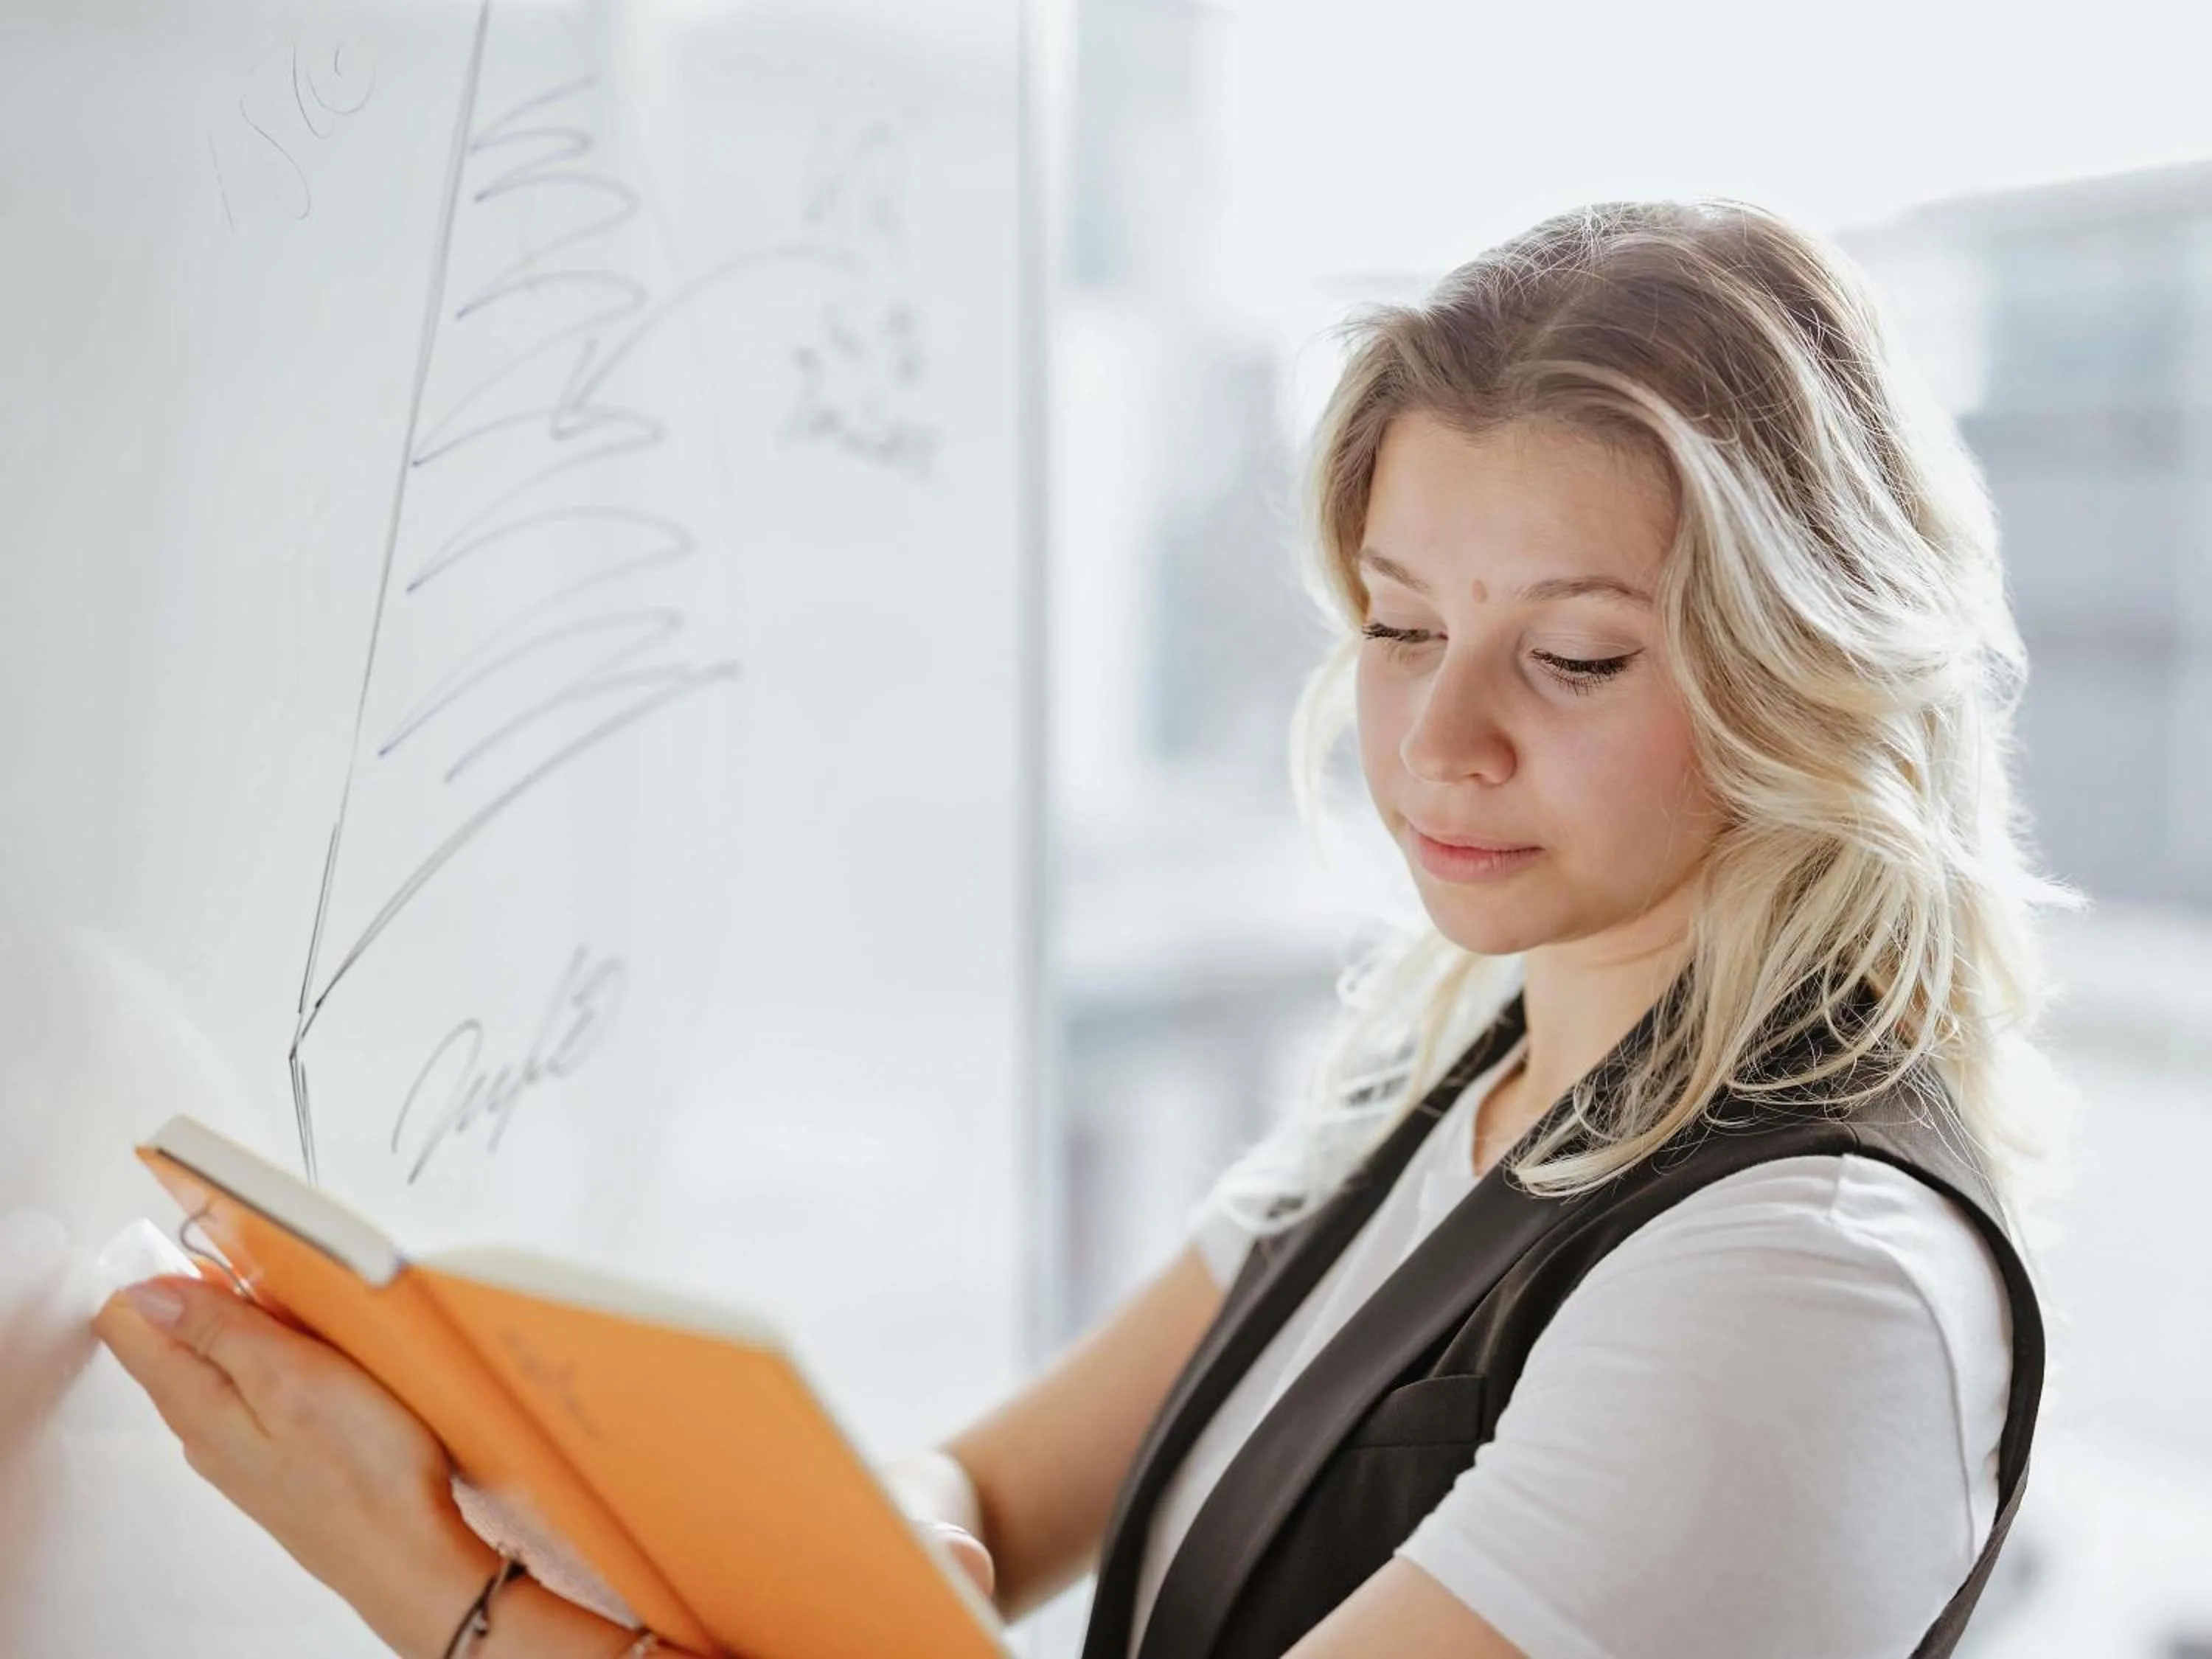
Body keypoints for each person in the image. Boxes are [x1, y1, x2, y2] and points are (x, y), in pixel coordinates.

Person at [96, 196, 2072, 1658]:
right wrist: (836, 1555)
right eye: (1396, 627)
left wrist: (432, 1594)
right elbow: (985, 1493)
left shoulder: (1804, 1288)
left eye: (1571, 658)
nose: (1441, 739)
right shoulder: (1455, 1082)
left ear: (1809, 676)